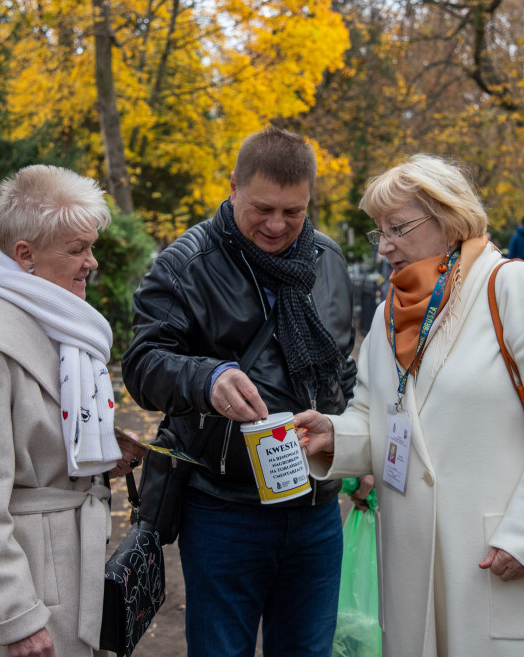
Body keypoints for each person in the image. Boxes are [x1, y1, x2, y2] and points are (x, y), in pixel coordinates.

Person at [295, 154, 524, 656]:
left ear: (450, 219)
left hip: (498, 558)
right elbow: (375, 412)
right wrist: (337, 437)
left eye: (398, 227)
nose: (386, 245)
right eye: (380, 231)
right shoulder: (386, 317)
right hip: (412, 569)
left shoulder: (517, 290)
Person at [121, 125, 358, 657]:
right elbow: (141, 365)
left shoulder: (328, 260)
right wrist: (206, 378)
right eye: (262, 208)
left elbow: (339, 371)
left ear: (309, 200)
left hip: (316, 503)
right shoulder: (185, 265)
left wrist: (352, 447)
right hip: (225, 508)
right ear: (233, 187)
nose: (277, 225)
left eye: (292, 212)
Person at [0, 164, 146, 657]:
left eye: (91, 247)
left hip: (64, 565)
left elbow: (40, 426)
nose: (90, 262)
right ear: (25, 255)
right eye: (75, 249)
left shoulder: (56, 322)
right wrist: (17, 614)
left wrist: (99, 449)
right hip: (25, 582)